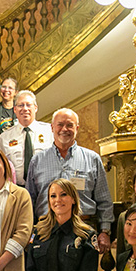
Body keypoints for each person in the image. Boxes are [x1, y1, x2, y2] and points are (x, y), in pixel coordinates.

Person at [26, 107, 113, 254]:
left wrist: (105, 231)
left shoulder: (92, 159)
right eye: (60, 125)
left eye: (69, 125)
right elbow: (29, 200)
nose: (64, 129)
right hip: (46, 230)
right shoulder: (37, 160)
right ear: (52, 128)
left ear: (77, 128)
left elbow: (104, 199)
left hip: (83, 228)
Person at [0, 90, 52, 186]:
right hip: (17, 189)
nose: (25, 108)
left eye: (28, 105)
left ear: (35, 108)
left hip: (45, 187)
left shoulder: (50, 131)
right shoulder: (4, 138)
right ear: (15, 110)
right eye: (21, 105)